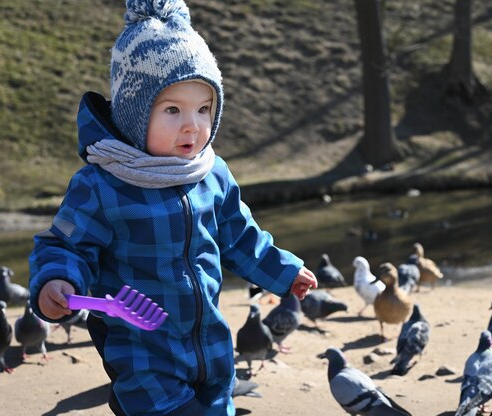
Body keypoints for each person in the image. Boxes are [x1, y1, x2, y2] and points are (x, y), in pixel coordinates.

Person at [28, 1, 317, 415]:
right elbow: (64, 245)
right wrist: (57, 280)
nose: (192, 126)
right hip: (142, 351)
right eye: (172, 110)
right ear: (133, 112)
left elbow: (239, 236)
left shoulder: (211, 174)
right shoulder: (103, 184)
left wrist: (283, 271)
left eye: (204, 109)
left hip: (211, 346)